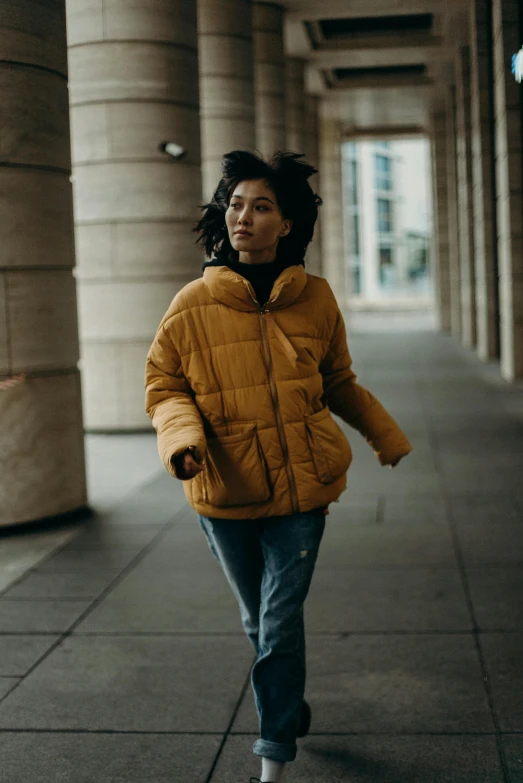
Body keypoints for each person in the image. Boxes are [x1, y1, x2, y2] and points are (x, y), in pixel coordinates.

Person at [145, 150, 412, 783]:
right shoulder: (191, 304)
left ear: (286, 223)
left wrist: (384, 433)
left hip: (303, 487)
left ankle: (273, 755)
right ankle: (288, 703)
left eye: (261, 206)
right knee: (257, 619)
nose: (243, 217)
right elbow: (164, 386)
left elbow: (338, 379)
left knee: (279, 617)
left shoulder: (315, 298)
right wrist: (183, 442)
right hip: (224, 489)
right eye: (235, 204)